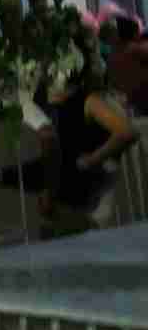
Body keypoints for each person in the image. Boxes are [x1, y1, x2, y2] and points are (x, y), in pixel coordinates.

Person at [51, 71, 135, 223]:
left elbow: (126, 133)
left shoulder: (90, 101)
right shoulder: (61, 106)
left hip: (97, 193)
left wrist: (92, 159)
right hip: (75, 197)